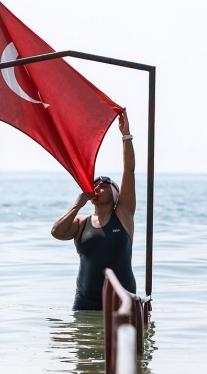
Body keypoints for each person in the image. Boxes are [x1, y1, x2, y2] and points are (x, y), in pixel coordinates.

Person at [51, 109, 137, 310]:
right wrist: (78, 204)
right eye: (95, 184)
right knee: (82, 342)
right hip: (85, 303)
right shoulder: (82, 223)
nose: (98, 186)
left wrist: (126, 136)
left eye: (105, 185)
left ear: (116, 195)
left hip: (121, 302)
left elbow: (129, 171)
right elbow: (56, 232)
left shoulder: (123, 214)